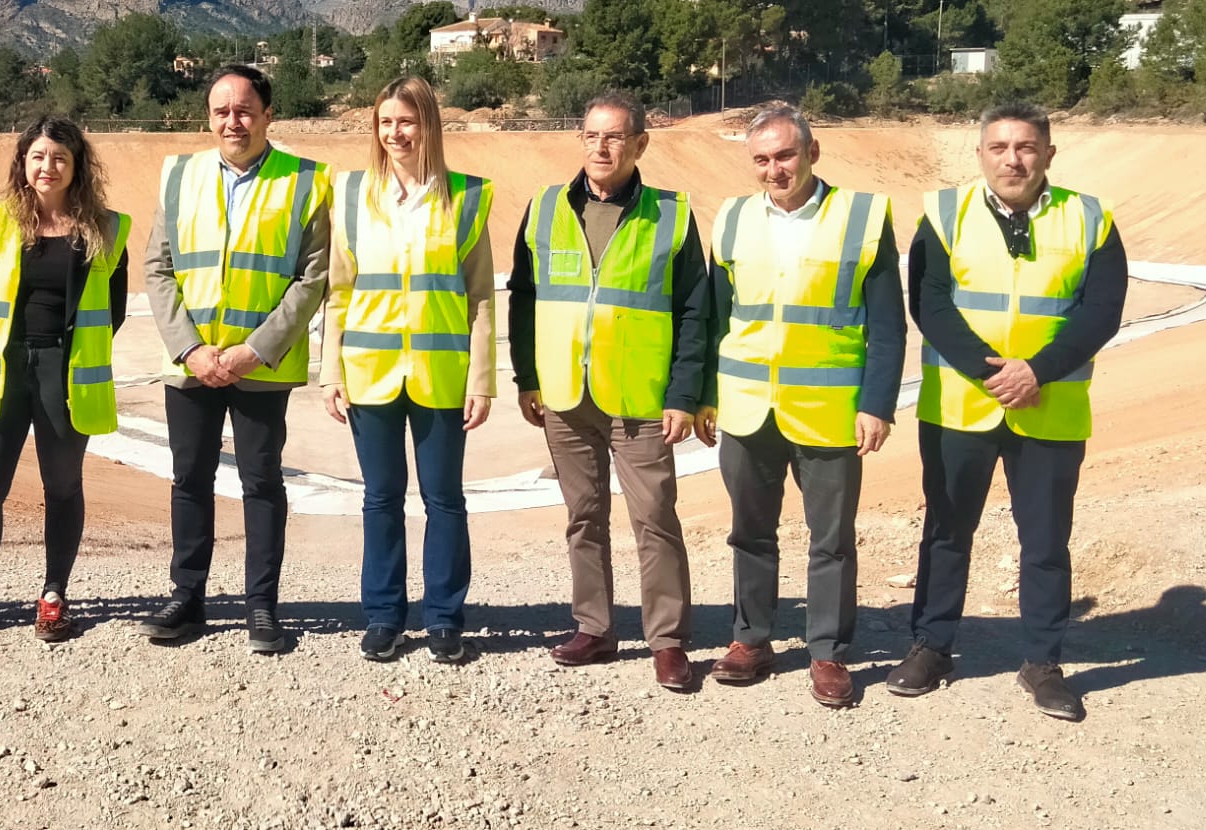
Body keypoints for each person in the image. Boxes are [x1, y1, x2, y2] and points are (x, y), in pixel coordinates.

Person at [886, 101, 1125, 722]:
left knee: (1045, 541)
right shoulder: (944, 213)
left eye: (1025, 147)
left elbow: (1101, 311)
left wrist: (1036, 371)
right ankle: (932, 646)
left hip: (1050, 407)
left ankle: (1042, 663)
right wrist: (994, 372)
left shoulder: (1089, 218)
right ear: (981, 155)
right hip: (961, 407)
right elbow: (930, 304)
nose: (1012, 159)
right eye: (999, 147)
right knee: (945, 532)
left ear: (1049, 153)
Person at [697, 104, 904, 707]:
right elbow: (716, 317)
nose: (774, 170)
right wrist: (707, 395)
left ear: (813, 152)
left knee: (831, 538)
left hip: (829, 407)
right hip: (746, 404)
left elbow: (888, 325)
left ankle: (828, 653)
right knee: (749, 532)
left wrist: (878, 405)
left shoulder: (863, 218)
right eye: (761, 159)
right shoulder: (732, 219)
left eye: (785, 155)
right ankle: (750, 640)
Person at [508, 90, 708, 691]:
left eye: (615, 136)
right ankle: (594, 627)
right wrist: (527, 378)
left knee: (655, 519)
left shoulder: (670, 213)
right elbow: (524, 298)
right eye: (592, 135)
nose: (601, 146)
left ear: (640, 144)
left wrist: (683, 393)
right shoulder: (545, 208)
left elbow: (695, 309)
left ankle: (668, 641)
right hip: (565, 394)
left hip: (640, 396)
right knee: (583, 516)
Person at [141, 63, 332, 653]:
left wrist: (256, 350)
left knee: (261, 482)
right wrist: (190, 348)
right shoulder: (179, 176)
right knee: (189, 480)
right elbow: (158, 268)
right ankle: (187, 596)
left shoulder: (306, 181)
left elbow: (313, 276)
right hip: (194, 366)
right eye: (221, 110)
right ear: (208, 116)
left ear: (268, 115)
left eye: (245, 109)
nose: (233, 120)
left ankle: (261, 605)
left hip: (259, 368)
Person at [0, 116, 129, 644]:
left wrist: (67, 354)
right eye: (38, 156)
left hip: (65, 374)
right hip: (3, 369)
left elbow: (116, 310)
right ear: (22, 162)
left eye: (60, 157)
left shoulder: (106, 229)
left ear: (77, 166)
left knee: (62, 488)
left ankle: (54, 594)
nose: (48, 166)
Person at [321, 76, 494, 664]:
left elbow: (481, 298)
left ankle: (445, 618)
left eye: (407, 121)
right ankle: (384, 615)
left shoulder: (467, 197)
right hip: (369, 371)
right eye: (385, 122)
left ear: (429, 126)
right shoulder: (349, 194)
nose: (395, 133)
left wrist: (482, 379)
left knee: (444, 499)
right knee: (380, 498)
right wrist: (331, 372)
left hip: (442, 373)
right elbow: (338, 292)